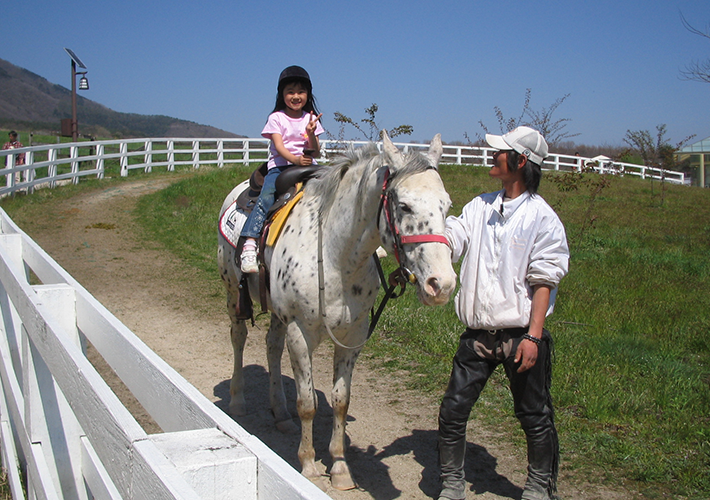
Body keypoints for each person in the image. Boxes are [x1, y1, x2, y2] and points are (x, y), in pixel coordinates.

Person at [437, 126, 570, 500]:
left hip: (520, 337)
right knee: (452, 411)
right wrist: (427, 246)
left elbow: (544, 280)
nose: (492, 156)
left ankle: (539, 486)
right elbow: (452, 238)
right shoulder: (479, 207)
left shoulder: (542, 218)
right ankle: (451, 482)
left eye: (500, 151)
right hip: (477, 337)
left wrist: (533, 336)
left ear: (521, 161)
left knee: (534, 416)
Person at [239, 65, 324, 273]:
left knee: (336, 187)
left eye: (301, 91)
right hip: (281, 167)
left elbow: (316, 151)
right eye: (290, 92)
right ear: (282, 94)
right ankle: (250, 242)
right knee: (267, 197)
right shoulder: (276, 118)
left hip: (308, 166)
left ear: (308, 94)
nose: (296, 96)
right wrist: (296, 160)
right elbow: (279, 147)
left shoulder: (310, 119)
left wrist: (311, 133)